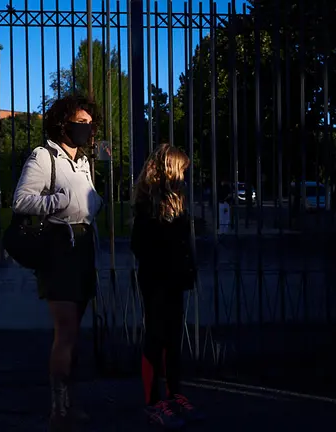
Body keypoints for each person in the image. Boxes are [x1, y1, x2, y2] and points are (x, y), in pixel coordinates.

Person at [11, 95, 103, 431]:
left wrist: (93, 205)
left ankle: (70, 404)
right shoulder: (44, 156)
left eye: (90, 123)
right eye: (80, 122)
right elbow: (20, 200)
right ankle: (58, 411)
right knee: (65, 332)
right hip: (59, 248)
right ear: (63, 124)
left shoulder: (83, 162)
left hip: (83, 247)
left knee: (74, 332)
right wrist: (57, 201)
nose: (87, 129)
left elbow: (83, 200)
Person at [131, 143, 204, 429]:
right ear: (170, 170)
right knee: (156, 337)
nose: (184, 176)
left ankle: (175, 394)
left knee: (173, 339)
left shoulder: (178, 200)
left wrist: (186, 269)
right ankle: (153, 402)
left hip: (175, 278)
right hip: (156, 279)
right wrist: (164, 260)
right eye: (181, 170)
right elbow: (139, 245)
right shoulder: (147, 203)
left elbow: (184, 242)